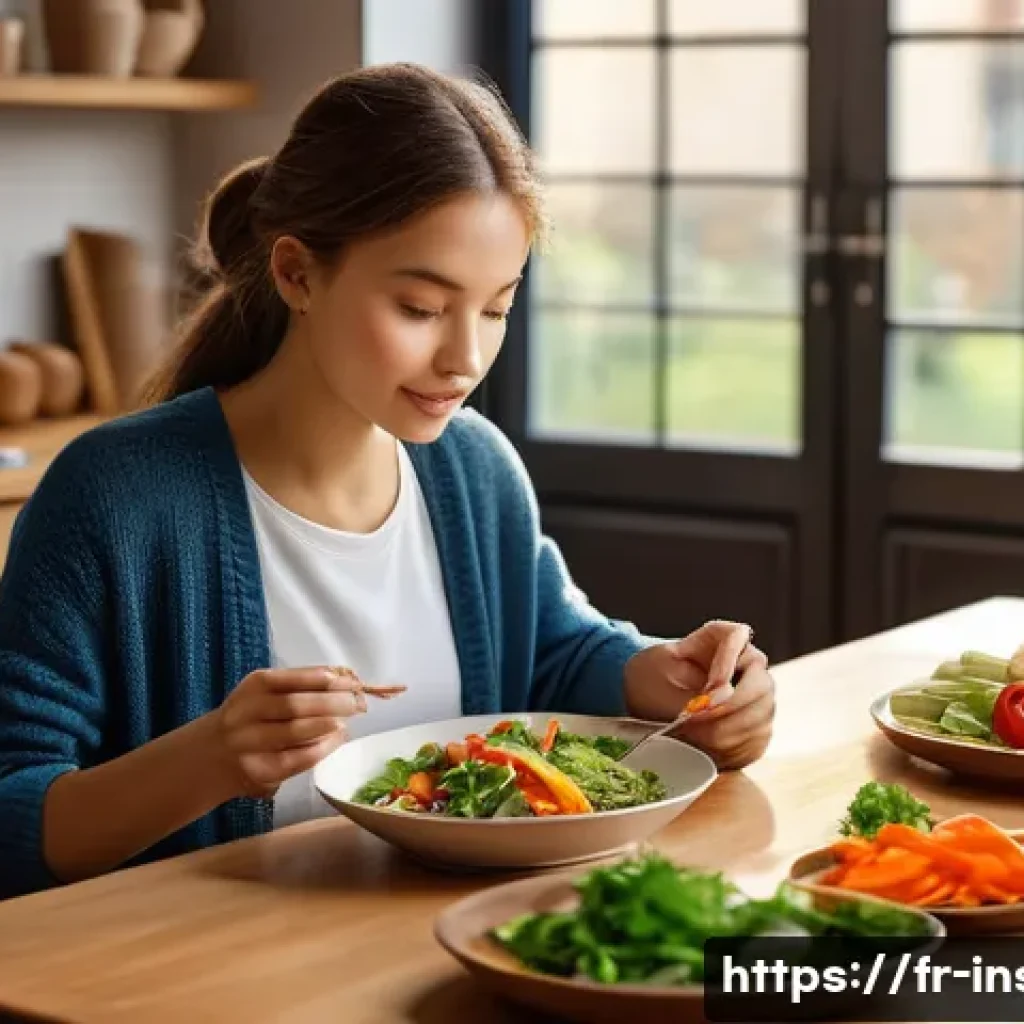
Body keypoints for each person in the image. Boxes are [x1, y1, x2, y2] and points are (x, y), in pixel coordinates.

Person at [0, 63, 774, 900]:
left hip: (454, 955)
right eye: (420, 308)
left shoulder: (473, 469)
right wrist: (211, 758)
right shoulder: (117, 495)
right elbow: (11, 818)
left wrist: (664, 681)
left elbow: (554, 648)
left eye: (496, 308)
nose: (465, 360)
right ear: (297, 274)